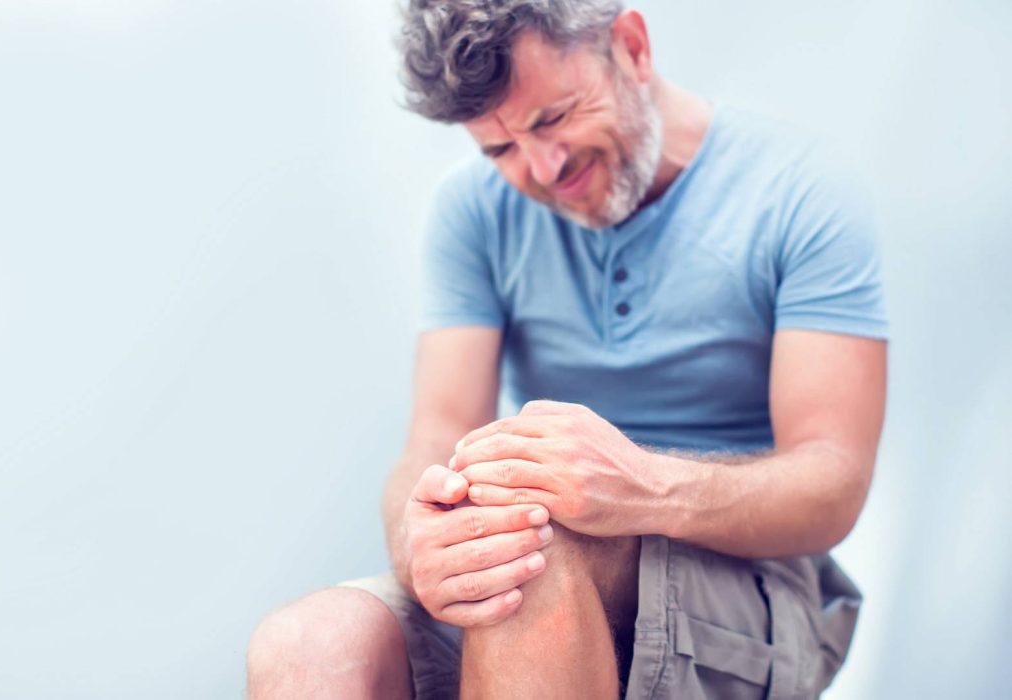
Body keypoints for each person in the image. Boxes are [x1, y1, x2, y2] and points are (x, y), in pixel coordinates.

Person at [246, 2, 889, 698]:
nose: (543, 170)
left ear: (632, 47)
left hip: (749, 579)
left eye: (552, 118)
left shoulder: (802, 192)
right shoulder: (472, 212)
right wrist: (421, 549)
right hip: (545, 548)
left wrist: (643, 486)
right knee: (307, 644)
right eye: (499, 150)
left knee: (529, 563)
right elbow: (434, 433)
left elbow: (834, 483)